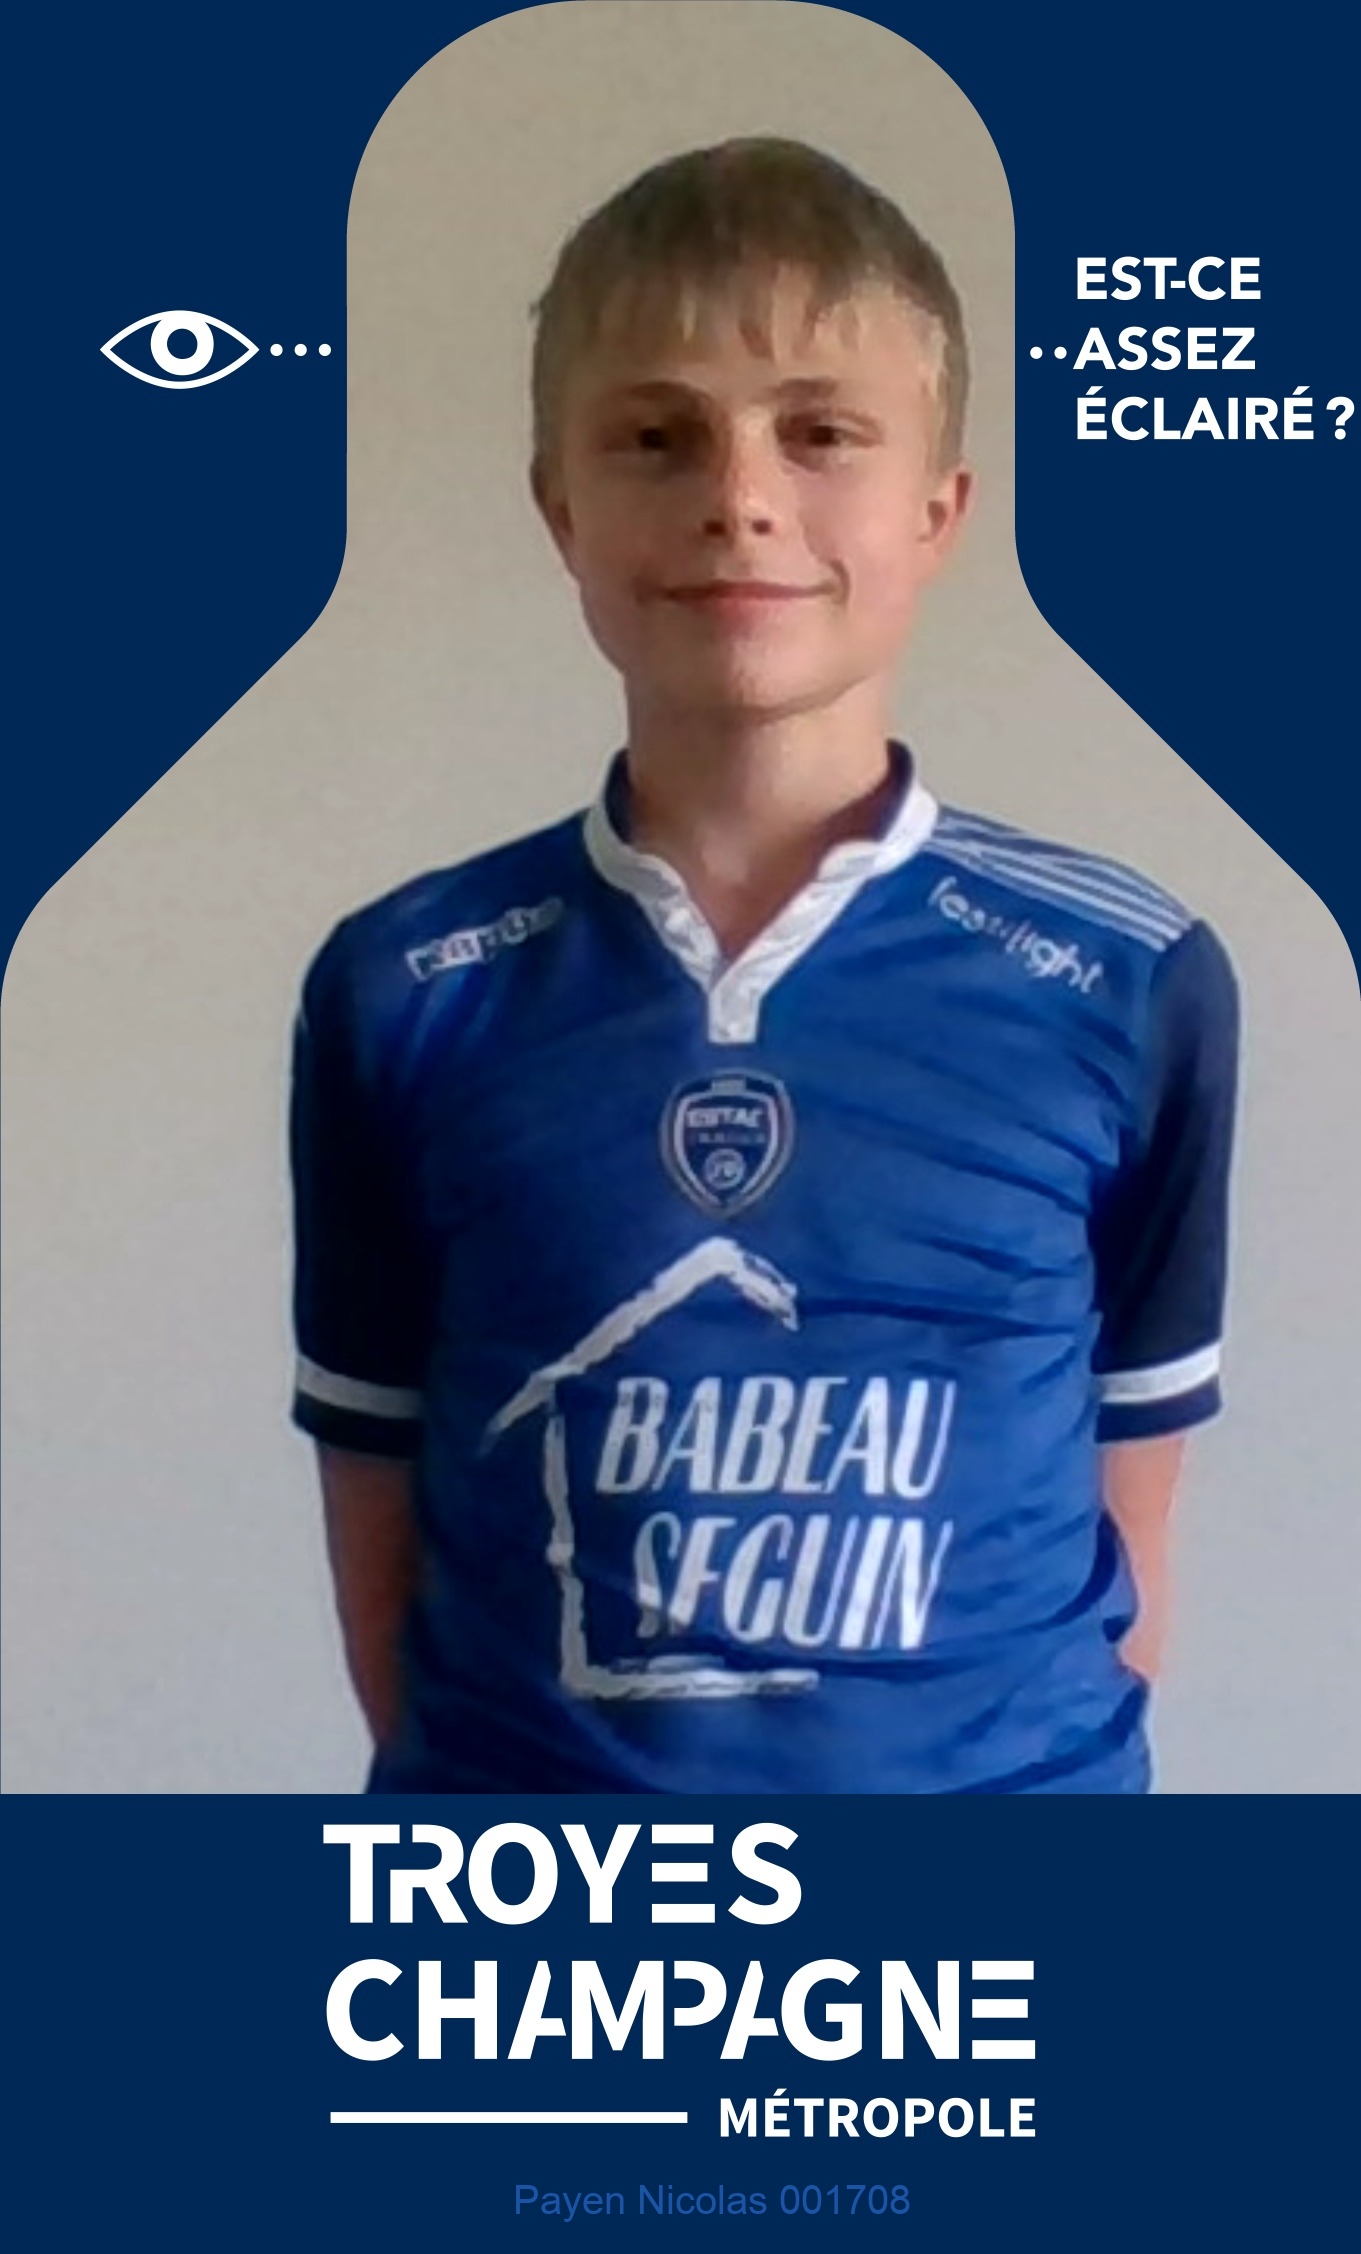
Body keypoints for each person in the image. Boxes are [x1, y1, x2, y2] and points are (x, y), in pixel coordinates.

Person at [290, 139, 1238, 1793]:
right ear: (559, 507)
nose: (739, 495)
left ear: (938, 510)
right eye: (656, 436)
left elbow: (1122, 1527)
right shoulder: (408, 986)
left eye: (820, 433)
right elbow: (387, 1546)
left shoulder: (1127, 977)